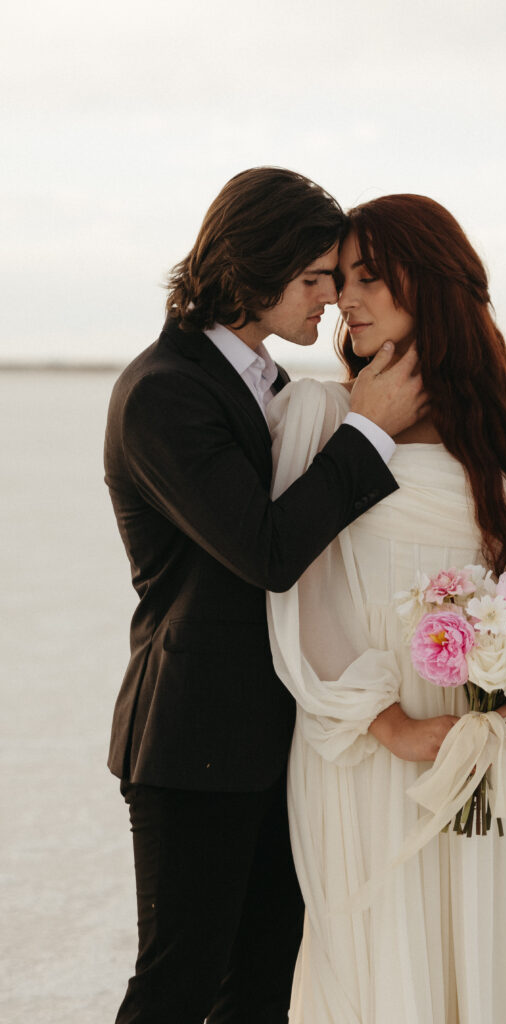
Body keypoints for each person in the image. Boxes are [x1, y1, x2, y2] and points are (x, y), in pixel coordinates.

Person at [266, 194, 506, 1024]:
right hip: (364, 745)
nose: (346, 299)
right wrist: (385, 722)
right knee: (376, 968)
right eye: (340, 279)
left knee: (479, 963)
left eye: (370, 278)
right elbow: (301, 589)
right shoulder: (317, 415)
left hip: (478, 744)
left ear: (433, 283)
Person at [104, 168, 426, 1024]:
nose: (330, 299)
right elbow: (267, 550)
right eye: (315, 277)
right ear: (254, 265)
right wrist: (369, 431)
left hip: (282, 740)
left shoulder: (268, 386)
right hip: (193, 740)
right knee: (177, 985)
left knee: (261, 991)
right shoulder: (164, 392)